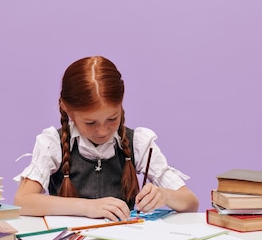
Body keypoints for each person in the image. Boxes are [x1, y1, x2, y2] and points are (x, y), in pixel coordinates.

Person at [13, 56, 199, 221]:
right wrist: (87, 207)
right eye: (90, 123)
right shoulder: (53, 143)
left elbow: (191, 203)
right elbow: (23, 201)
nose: (102, 131)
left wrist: (165, 195)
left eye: (112, 119)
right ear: (67, 109)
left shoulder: (138, 142)